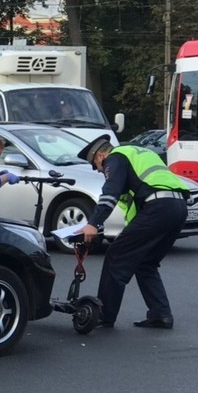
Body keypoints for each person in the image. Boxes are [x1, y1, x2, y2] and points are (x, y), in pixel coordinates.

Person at [75, 134, 190, 329]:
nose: (100, 171)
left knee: (116, 256)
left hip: (158, 207)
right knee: (146, 263)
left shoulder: (115, 157)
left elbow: (110, 193)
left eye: (97, 166)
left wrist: (93, 223)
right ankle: (160, 314)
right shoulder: (139, 152)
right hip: (178, 207)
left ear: (101, 155)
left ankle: (104, 314)